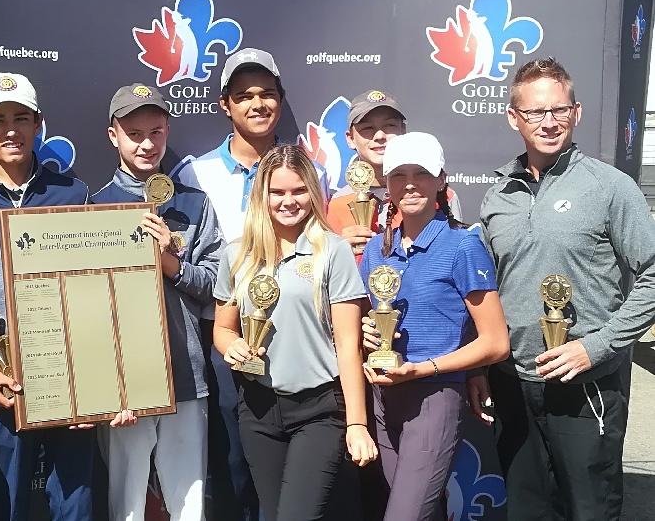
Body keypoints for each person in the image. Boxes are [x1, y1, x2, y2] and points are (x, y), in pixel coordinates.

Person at [478, 57, 655, 520]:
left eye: (560, 109)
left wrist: (597, 346)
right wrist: (480, 365)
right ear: (514, 118)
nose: (549, 122)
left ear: (576, 113)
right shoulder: (498, 195)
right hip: (513, 385)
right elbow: (484, 290)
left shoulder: (610, 186)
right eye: (536, 112)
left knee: (590, 511)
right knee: (527, 512)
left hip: (586, 386)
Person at [0, 72, 94, 520]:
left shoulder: (73, 193)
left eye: (21, 118)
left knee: (76, 502)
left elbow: (89, 290)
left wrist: (93, 382)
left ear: (38, 122)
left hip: (68, 380)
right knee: (6, 503)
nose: (11, 129)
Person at [170, 46, 307, 521]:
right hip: (220, 337)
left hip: (296, 340)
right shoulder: (193, 174)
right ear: (224, 105)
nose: (257, 104)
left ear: (281, 100)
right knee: (229, 465)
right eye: (244, 95)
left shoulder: (304, 172)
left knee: (287, 467)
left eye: (267, 94)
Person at [213, 144, 377, 521]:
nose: (289, 201)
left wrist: (356, 424)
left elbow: (348, 347)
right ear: (261, 195)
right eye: (278, 192)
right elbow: (222, 329)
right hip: (257, 410)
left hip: (319, 410)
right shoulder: (237, 254)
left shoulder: (332, 252)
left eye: (299, 190)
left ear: (314, 192)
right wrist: (232, 345)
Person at [359, 132, 510, 520]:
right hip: (382, 399)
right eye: (398, 174)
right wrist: (366, 332)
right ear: (386, 183)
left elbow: (495, 342)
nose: (409, 183)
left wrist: (423, 368)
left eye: (421, 173)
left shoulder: (463, 245)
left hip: (434, 397)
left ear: (441, 179)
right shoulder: (377, 249)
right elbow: (367, 316)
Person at [91, 83, 222, 520]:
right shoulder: (91, 207)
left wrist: (171, 261)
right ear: (114, 136)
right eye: (135, 133)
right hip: (124, 386)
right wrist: (107, 384)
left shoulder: (195, 204)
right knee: (125, 503)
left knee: (189, 505)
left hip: (186, 378)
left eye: (157, 132)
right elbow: (88, 306)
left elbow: (215, 285)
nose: (147, 143)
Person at [326, 89, 462, 256]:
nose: (380, 135)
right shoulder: (336, 203)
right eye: (367, 128)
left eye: (389, 125)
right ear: (350, 138)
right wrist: (335, 252)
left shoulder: (440, 195)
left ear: (403, 130)